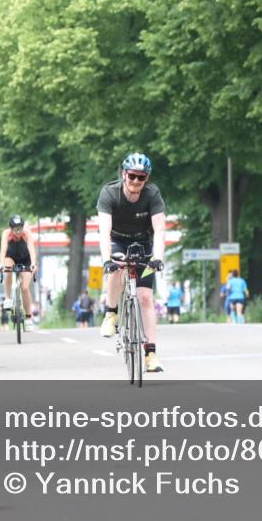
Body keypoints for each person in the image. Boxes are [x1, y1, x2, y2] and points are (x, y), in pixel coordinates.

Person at [97, 153, 167, 373]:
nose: (136, 181)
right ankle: (111, 312)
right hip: (117, 241)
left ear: (147, 179)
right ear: (124, 174)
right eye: (132, 176)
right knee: (116, 269)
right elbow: (104, 231)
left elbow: (160, 229)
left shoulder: (152, 194)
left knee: (146, 298)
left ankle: (151, 354)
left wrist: (157, 258)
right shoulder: (110, 193)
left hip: (143, 245)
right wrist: (107, 260)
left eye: (141, 177)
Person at [0, 215, 38, 329]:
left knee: (25, 287)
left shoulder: (27, 234)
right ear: (11, 228)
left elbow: (31, 249)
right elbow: (3, 250)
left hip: (25, 260)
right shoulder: (6, 234)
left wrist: (33, 263)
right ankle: (8, 298)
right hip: (10, 257)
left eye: (20, 228)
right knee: (8, 267)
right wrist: (1, 263)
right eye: (16, 229)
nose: (18, 231)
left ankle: (29, 318)